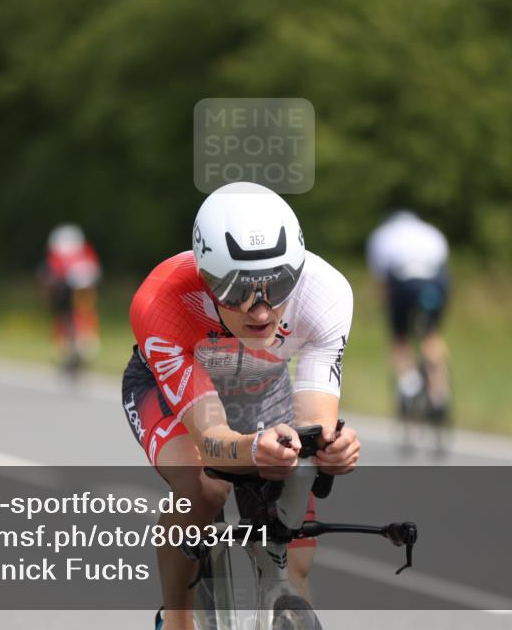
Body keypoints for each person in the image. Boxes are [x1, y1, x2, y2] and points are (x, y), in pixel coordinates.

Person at [122, 182, 359, 630]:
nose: (261, 310)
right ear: (207, 279)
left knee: (294, 556)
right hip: (174, 395)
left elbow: (314, 425)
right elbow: (212, 441)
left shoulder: (326, 293)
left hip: (263, 390)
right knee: (204, 488)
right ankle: (177, 619)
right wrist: (252, 451)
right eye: (236, 290)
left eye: (279, 283)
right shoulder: (163, 301)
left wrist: (331, 449)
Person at [366, 211, 451, 421]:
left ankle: (408, 382)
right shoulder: (431, 232)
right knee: (431, 335)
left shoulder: (382, 235)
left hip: (403, 282)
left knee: (399, 337)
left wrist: (387, 311)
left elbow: (383, 282)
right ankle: (439, 394)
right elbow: (444, 267)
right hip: (435, 283)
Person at [40, 224, 102, 366]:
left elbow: (51, 275)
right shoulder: (84, 252)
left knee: (76, 314)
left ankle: (76, 343)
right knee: (72, 314)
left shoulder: (82, 253)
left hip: (78, 291)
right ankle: (73, 343)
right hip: (75, 291)